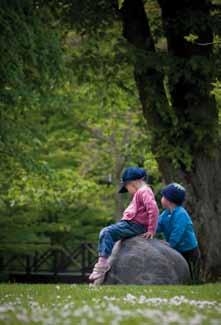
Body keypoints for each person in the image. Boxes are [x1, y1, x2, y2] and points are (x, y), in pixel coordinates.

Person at [89, 167, 159, 284]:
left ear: (132, 183)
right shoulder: (142, 192)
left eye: (126, 188)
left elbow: (153, 209)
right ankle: (104, 259)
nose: (128, 191)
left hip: (134, 225)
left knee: (106, 232)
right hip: (132, 223)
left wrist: (151, 229)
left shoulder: (144, 191)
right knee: (110, 233)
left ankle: (102, 264)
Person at [156, 183, 201, 283]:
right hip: (176, 250)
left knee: (192, 274)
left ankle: (195, 284)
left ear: (169, 200)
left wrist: (169, 245)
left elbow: (177, 233)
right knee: (178, 273)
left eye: (163, 196)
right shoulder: (165, 214)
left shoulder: (181, 214)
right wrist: (149, 230)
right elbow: (158, 226)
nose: (161, 198)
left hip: (189, 251)